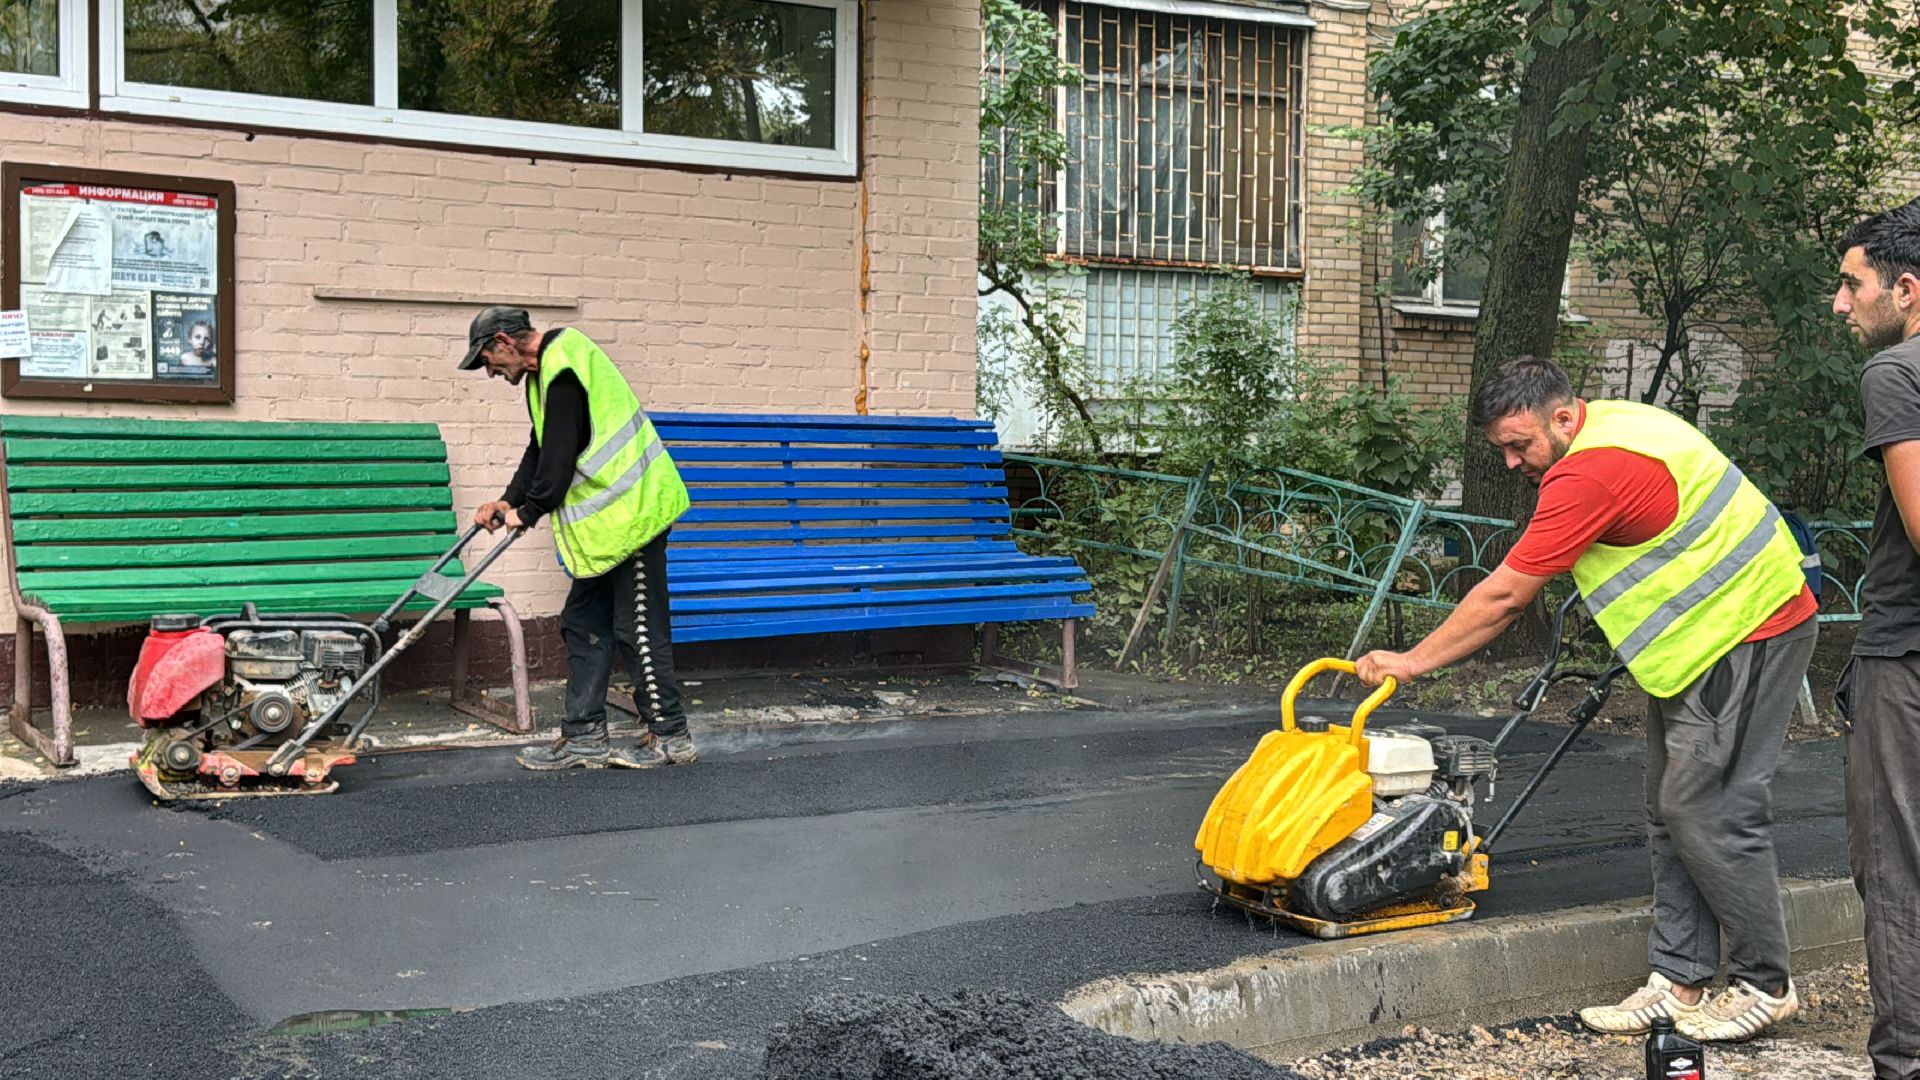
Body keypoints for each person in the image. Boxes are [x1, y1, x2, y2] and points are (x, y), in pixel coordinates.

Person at [1355, 357, 1818, 1043]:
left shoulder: (1587, 473)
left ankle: (1763, 983)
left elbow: (1508, 595)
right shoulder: (1620, 425)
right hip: (1701, 644)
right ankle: (1678, 979)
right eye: (1502, 449)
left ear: (1564, 416)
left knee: (1710, 809)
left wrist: (1413, 660)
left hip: (1751, 628)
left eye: (1521, 444)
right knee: (1671, 810)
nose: (1513, 462)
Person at [459, 306, 697, 771]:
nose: (488, 371)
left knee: (638, 630)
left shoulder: (565, 368)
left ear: (505, 341)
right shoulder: (543, 375)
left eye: (487, 359)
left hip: (637, 518)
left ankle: (671, 735)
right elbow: (540, 447)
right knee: (581, 622)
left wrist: (528, 511)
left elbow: (561, 457)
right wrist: (509, 501)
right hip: (608, 531)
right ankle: (585, 735)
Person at [1832, 199, 1920, 1079]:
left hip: (1906, 660)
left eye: (1853, 282)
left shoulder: (1899, 372)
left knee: (1897, 869)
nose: (1840, 301)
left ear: (1907, 288)